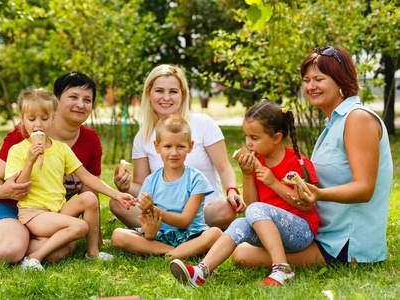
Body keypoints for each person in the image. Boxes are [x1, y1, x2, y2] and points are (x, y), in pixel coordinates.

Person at [232, 46, 393, 267]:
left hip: (345, 243)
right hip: (321, 232)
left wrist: (317, 194)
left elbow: (364, 189)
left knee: (244, 254)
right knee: (243, 244)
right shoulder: (334, 123)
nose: (310, 86)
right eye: (306, 80)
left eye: (319, 79)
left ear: (341, 80)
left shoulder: (358, 119)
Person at [0, 72, 128, 263]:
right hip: (3, 206)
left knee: (60, 250)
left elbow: (89, 192)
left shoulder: (85, 141)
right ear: (57, 102)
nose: (80, 104)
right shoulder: (23, 134)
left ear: (51, 114)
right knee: (12, 248)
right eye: (73, 97)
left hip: (48, 213)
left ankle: (25, 246)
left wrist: (98, 237)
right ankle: (7, 244)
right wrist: (4, 190)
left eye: (87, 100)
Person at [169, 100, 319, 287]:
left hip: (301, 232)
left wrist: (273, 182)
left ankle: (283, 269)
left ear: (277, 137)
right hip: (270, 233)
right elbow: (250, 207)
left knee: (255, 210)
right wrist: (248, 175)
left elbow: (306, 203)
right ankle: (201, 271)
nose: (248, 143)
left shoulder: (297, 163)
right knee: (240, 221)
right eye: (246, 136)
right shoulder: (258, 163)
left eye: (254, 138)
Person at [6, 87, 135, 270]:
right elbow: (18, 188)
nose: (38, 125)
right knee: (80, 227)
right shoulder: (17, 150)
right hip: (34, 213)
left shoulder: (62, 149)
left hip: (58, 210)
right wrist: (30, 161)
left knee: (89, 198)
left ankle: (93, 253)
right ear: (22, 119)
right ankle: (33, 258)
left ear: (53, 118)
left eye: (44, 118)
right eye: (32, 119)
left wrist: (117, 195)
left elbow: (87, 177)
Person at [111, 64, 245, 230]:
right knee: (116, 203)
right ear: (149, 94)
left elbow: (225, 169)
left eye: (173, 92)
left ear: (182, 95)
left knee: (226, 210)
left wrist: (232, 191)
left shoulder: (203, 123)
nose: (166, 97)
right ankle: (178, 231)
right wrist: (126, 187)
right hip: (165, 213)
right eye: (159, 91)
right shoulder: (143, 136)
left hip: (204, 211)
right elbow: (141, 186)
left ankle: (168, 233)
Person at [111, 115, 222, 260]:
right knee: (118, 235)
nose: (174, 153)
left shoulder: (197, 179)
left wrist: (154, 209)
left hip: (190, 234)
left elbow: (185, 221)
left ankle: (164, 253)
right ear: (157, 147)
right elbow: (149, 229)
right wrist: (150, 231)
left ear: (190, 146)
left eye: (180, 146)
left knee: (215, 233)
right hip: (161, 235)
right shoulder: (151, 181)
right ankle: (174, 253)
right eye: (168, 146)